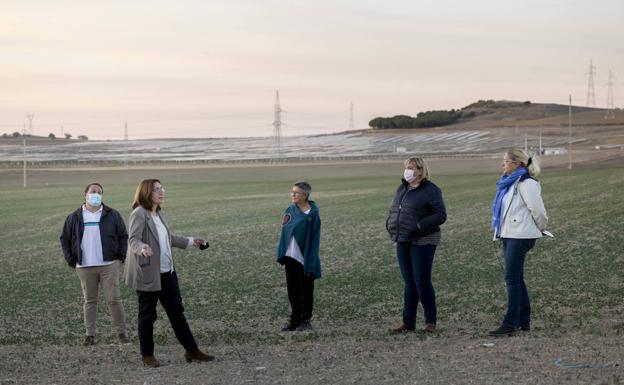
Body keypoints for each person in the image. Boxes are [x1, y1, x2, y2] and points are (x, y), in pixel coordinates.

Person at [124, 179, 213, 367]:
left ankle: (192, 350)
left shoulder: (158, 213)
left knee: (177, 313)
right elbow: (133, 239)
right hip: (148, 273)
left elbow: (168, 238)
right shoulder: (139, 213)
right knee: (147, 315)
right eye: (156, 189)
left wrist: (191, 241)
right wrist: (142, 248)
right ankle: (147, 355)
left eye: (161, 188)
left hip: (167, 272)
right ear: (147, 192)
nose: (161, 191)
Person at [60, 182, 129, 346]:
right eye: (93, 191)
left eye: (99, 192)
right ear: (85, 194)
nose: (96, 194)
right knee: (90, 301)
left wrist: (121, 256)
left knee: (114, 299)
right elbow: (65, 239)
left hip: (109, 265)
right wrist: (71, 260)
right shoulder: (74, 217)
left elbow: (123, 236)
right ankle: (89, 335)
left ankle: (122, 334)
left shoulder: (112, 214)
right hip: (85, 267)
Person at [489, 149, 548, 337]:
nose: (503, 164)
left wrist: (540, 228)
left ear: (516, 164)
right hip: (509, 234)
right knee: (516, 278)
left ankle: (511, 322)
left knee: (511, 278)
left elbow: (538, 210)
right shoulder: (509, 183)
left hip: (521, 235)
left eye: (505, 161)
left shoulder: (527, 183)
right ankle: (523, 320)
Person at [386, 157, 446, 333]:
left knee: (421, 280)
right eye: (406, 167)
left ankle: (430, 321)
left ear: (420, 170)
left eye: (411, 167)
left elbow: (441, 215)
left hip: (424, 239)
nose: (407, 170)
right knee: (409, 282)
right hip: (403, 238)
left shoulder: (431, 190)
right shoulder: (402, 188)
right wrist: (389, 223)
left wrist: (420, 225)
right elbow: (395, 209)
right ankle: (408, 322)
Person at [276, 181, 321, 332]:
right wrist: (282, 253)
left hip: (306, 258)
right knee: (293, 290)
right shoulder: (289, 210)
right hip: (290, 257)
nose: (293, 195)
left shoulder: (313, 214)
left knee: (306, 289)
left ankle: (305, 320)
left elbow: (314, 239)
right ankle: (294, 320)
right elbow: (284, 232)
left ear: (305, 195)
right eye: (292, 192)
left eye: (297, 193)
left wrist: (311, 260)